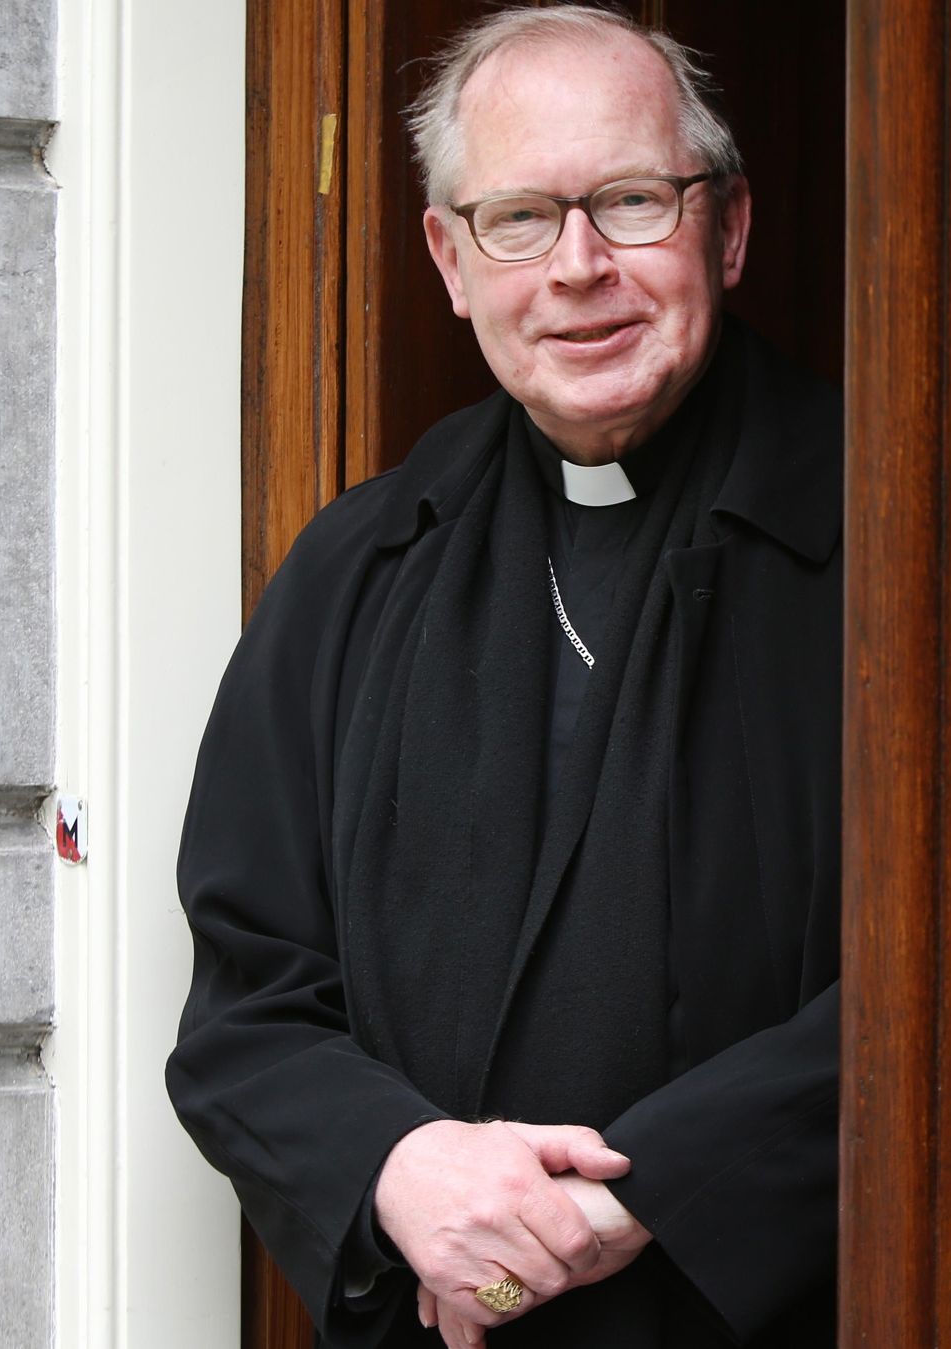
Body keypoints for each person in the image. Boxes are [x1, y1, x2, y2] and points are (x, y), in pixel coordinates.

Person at [165, 9, 841, 1347]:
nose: (576, 266)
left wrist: (650, 1191)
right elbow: (245, 1005)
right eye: (520, 218)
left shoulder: (900, 537)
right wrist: (401, 1170)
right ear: (451, 260)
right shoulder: (358, 567)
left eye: (632, 203)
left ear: (732, 226)